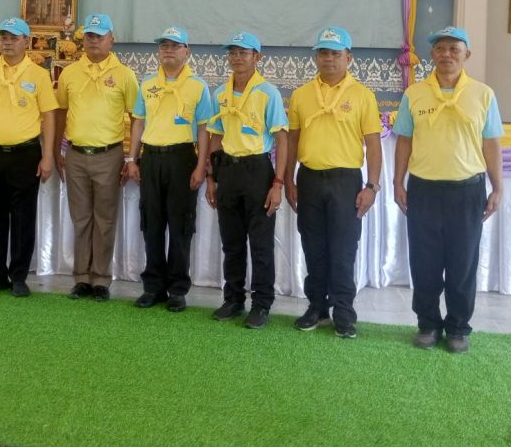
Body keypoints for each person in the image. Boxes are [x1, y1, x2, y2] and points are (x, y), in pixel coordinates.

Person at [392, 26, 503, 353]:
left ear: (467, 54)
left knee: (462, 264)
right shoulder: (414, 94)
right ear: (432, 54)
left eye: (454, 48)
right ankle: (427, 324)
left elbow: (491, 144)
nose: (447, 54)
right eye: (440, 48)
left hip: (467, 192)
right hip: (423, 190)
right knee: (424, 262)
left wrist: (497, 188)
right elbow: (404, 141)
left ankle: (458, 328)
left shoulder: (483, 94)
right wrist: (398, 182)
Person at [284, 27, 382, 338]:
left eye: (335, 53)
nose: (329, 58)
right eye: (323, 53)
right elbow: (292, 139)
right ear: (316, 57)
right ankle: (316, 307)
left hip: (345, 182)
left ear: (348, 57)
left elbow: (373, 144)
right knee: (313, 247)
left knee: (343, 249)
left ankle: (343, 312)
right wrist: (288, 180)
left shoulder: (363, 95)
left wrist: (372, 186)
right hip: (309, 179)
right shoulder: (301, 94)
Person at [125, 26, 212, 312]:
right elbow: (138, 122)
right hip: (151, 159)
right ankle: (153, 287)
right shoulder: (148, 84)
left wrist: (201, 166)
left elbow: (204, 129)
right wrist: (132, 159)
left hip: (182, 158)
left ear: (187, 52)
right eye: (164, 46)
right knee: (151, 223)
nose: (169, 51)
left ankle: (177, 289)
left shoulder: (198, 86)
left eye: (175, 46)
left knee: (180, 225)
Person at [0, 17, 57, 297]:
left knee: (23, 218)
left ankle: (18, 276)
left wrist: (47, 156)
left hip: (25, 154)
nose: (6, 43)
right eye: (3, 37)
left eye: (13, 38)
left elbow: (49, 116)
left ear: (26, 41)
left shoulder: (38, 75)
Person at [205, 32, 288, 329]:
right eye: (233, 52)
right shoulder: (220, 93)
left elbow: (282, 138)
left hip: (257, 171)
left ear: (257, 57)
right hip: (228, 170)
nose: (237, 58)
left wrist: (278, 183)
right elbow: (215, 136)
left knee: (261, 244)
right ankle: (233, 298)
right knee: (232, 241)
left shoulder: (268, 93)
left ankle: (262, 304)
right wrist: (211, 178)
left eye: (244, 52)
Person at [54, 13, 139, 302]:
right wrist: (55, 150)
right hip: (76, 154)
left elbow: (136, 118)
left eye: (99, 36)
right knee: (80, 219)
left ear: (111, 39)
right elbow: (61, 112)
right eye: (89, 36)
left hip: (109, 156)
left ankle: (101, 279)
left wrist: (131, 157)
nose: (93, 41)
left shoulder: (124, 75)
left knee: (105, 219)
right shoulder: (69, 73)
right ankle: (81, 278)